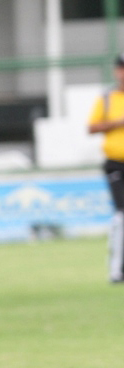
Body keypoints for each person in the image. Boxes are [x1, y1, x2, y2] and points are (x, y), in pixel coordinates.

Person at [88, 53, 124, 283]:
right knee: (122, 215)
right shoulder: (107, 98)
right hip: (116, 163)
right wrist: (118, 122)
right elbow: (92, 127)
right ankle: (117, 268)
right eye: (120, 68)